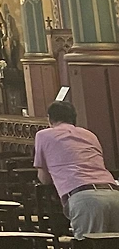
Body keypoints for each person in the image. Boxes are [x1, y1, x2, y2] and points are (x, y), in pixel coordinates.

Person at [34, 100, 119, 234]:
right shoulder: (89, 134)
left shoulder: (43, 135)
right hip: (113, 192)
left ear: (49, 119)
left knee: (89, 243)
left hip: (85, 198)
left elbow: (44, 179)